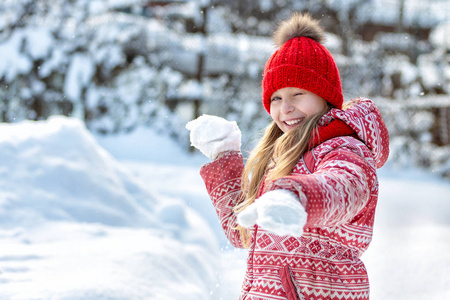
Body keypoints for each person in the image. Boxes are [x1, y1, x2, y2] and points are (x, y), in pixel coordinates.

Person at [186, 12, 389, 300]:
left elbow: (345, 188)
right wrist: (224, 154)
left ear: (324, 96)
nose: (286, 108)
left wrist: (296, 197)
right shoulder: (279, 156)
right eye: (276, 98)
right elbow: (242, 231)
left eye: (298, 94)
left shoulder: (343, 149)